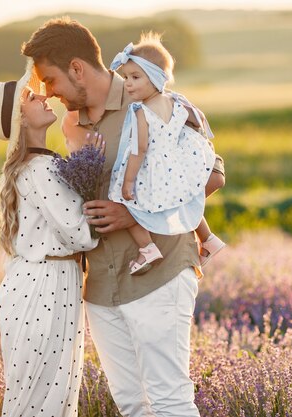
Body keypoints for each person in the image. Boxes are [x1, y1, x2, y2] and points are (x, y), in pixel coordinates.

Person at [22, 17, 226, 417]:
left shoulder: (147, 96)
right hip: (99, 286)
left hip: (160, 270)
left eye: (50, 80)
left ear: (77, 69)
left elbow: (212, 174)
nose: (48, 93)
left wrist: (134, 210)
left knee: (170, 400)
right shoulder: (70, 124)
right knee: (133, 406)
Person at [0, 60, 99, 417]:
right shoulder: (41, 168)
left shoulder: (37, 164)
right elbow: (80, 233)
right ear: (20, 120)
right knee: (44, 397)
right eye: (32, 98)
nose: (44, 96)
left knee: (39, 394)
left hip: (41, 282)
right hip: (46, 286)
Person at [108, 33, 226, 275]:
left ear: (154, 77)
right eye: (126, 77)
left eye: (135, 77)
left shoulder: (141, 110)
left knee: (125, 201)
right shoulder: (175, 101)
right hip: (177, 164)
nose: (128, 83)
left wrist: (128, 181)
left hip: (155, 167)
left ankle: (147, 247)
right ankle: (209, 239)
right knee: (185, 198)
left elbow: (139, 149)